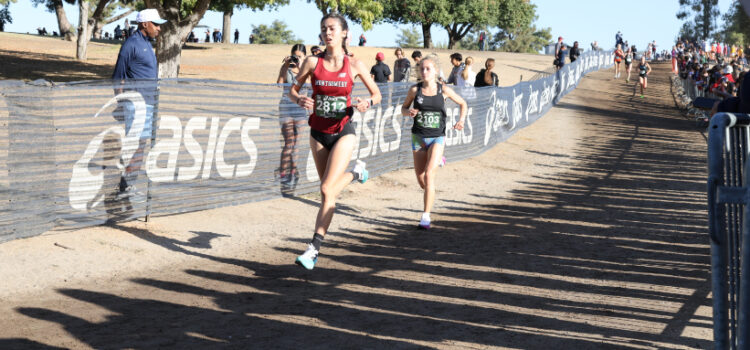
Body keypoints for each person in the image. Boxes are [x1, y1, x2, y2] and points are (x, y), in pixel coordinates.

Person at [288, 13, 382, 270]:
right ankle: (356, 172)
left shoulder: (354, 64)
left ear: (343, 34)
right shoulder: (311, 62)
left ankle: (313, 249)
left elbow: (377, 94)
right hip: (317, 132)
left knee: (327, 189)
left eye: (332, 28)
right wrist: (299, 100)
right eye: (323, 29)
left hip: (343, 131)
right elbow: (292, 89)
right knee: (327, 191)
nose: (327, 32)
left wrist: (366, 103)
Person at [400, 55, 467, 229]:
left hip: (437, 137)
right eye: (422, 69)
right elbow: (403, 108)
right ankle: (438, 163)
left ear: (436, 70)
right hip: (418, 138)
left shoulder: (443, 90)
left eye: (428, 68)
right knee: (422, 181)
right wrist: (409, 112)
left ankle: (425, 217)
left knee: (429, 176)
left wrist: (461, 120)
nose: (424, 72)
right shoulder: (415, 90)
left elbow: (462, 103)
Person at [111, 9, 165, 198]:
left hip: (148, 104)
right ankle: (126, 188)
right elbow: (118, 76)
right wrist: (120, 103)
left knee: (140, 145)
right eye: (156, 24)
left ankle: (126, 186)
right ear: (144, 24)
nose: (159, 28)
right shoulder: (131, 44)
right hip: (136, 103)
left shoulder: (147, 44)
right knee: (137, 145)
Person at [276, 44, 308, 195]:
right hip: (286, 108)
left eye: (300, 56)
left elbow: (311, 84)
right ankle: (283, 174)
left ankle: (293, 173)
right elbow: (279, 84)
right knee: (289, 142)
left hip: (300, 109)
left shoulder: (307, 68)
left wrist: (302, 66)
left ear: (305, 57)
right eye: (294, 56)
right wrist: (285, 66)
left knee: (297, 143)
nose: (297, 59)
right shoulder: (287, 67)